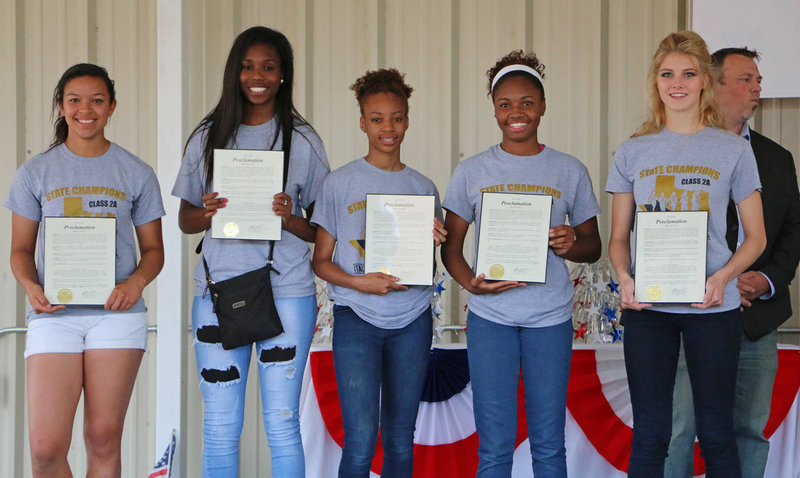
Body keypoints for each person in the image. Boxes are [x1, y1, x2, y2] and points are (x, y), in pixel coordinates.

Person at [606, 31, 767, 478]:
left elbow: (756, 237)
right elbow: (619, 235)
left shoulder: (733, 150)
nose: (677, 83)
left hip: (712, 306)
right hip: (649, 307)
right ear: (655, 82)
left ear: (704, 82)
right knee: (651, 434)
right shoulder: (632, 151)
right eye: (667, 74)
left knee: (716, 433)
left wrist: (724, 278)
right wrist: (625, 277)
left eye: (688, 73)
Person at [171, 26, 329, 477]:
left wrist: (288, 217)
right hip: (218, 292)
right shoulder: (207, 136)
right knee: (220, 427)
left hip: (287, 291)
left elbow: (322, 230)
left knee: (283, 425)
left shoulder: (304, 140)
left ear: (283, 75)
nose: (256, 76)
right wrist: (207, 212)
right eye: (247, 66)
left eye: (268, 66)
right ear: (233, 72)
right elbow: (184, 221)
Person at [440, 51, 602, 477]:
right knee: (494, 446)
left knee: (549, 444)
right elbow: (451, 248)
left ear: (543, 106)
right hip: (491, 317)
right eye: (505, 104)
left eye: (527, 102)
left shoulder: (569, 170)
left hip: (548, 318)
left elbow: (593, 244)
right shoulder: (472, 170)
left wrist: (572, 244)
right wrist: (469, 284)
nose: (516, 113)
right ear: (493, 109)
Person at [6, 63, 165, 477]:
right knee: (44, 448)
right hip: (54, 317)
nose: (85, 109)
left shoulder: (136, 172)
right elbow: (20, 250)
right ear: (61, 106)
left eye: (97, 100)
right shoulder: (35, 172)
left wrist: (136, 282)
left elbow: (153, 251)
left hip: (116, 316)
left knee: (102, 438)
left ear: (112, 106)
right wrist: (30, 285)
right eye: (74, 100)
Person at [665, 48, 800, 478]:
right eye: (746, 79)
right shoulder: (676, 152)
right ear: (713, 83)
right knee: (679, 429)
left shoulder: (777, 159)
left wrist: (766, 280)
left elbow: (793, 234)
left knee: (747, 430)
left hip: (756, 319)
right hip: (689, 312)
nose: (757, 87)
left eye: (758, 79)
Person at [311, 68, 446, 478]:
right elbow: (320, 261)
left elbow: (427, 268)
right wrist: (358, 282)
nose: (388, 127)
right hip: (357, 319)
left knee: (401, 438)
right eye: (377, 118)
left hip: (412, 320)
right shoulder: (339, 184)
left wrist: (433, 243)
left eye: (397, 117)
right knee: (360, 440)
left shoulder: (424, 188)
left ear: (407, 119)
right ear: (362, 122)